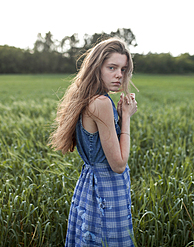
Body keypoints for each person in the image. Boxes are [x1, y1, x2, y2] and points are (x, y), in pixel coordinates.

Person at [49, 38, 138, 246]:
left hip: (89, 185)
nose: (119, 75)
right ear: (97, 67)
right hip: (106, 188)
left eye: (124, 69)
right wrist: (126, 118)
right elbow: (118, 164)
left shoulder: (86, 97)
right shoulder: (101, 102)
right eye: (112, 67)